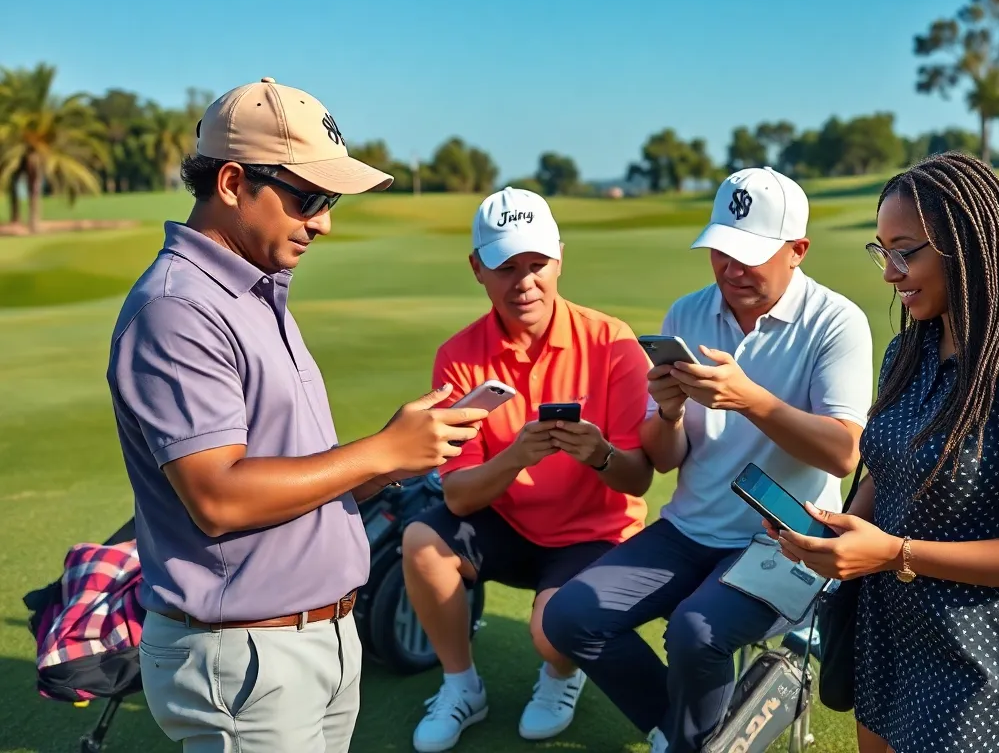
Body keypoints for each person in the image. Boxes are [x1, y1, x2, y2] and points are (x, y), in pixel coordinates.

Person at [106, 77, 488, 753]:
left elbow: (296, 472)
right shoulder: (178, 308)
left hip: (312, 640)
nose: (324, 221)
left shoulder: (257, 291)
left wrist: (395, 460)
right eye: (307, 197)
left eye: (329, 199)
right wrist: (377, 451)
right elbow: (219, 497)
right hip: (249, 653)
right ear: (231, 183)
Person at [770, 152, 999, 753]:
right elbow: (888, 467)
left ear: (969, 247)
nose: (890, 274)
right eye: (882, 252)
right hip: (888, 633)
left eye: (907, 251)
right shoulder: (909, 350)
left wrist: (894, 551)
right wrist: (838, 531)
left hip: (973, 650)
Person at [543, 166, 874, 753]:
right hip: (689, 527)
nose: (731, 268)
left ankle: (693, 738)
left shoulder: (836, 321)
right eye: (721, 249)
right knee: (569, 617)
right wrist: (667, 415)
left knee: (697, 633)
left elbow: (843, 453)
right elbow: (666, 459)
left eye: (750, 253)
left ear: (798, 250)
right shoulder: (688, 313)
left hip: (787, 539)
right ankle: (681, 735)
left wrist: (749, 399)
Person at [401, 186, 655, 753]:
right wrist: (516, 455)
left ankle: (561, 674)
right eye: (506, 267)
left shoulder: (611, 341)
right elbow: (460, 497)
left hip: (593, 533)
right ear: (477, 270)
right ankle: (462, 686)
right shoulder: (459, 355)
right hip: (508, 525)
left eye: (537, 264)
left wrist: (597, 454)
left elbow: (638, 479)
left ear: (559, 258)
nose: (525, 282)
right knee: (422, 539)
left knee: (551, 632)